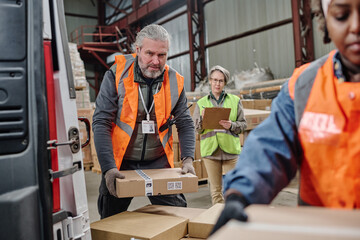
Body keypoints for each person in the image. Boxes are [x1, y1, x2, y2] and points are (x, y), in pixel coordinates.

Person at [211, 0, 360, 234]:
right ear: (326, 21)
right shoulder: (305, 86)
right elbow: (270, 147)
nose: (356, 26)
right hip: (323, 232)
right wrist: (241, 194)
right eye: (341, 16)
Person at [92, 24, 196, 219]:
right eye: (150, 53)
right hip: (121, 163)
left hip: (158, 161)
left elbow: (185, 123)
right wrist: (108, 168)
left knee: (178, 217)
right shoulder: (116, 75)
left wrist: (188, 158)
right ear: (137, 50)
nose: (156, 61)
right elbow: (101, 122)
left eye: (162, 55)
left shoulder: (175, 81)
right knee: (110, 221)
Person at [192, 65, 247, 205]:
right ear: (210, 81)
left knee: (233, 189)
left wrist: (232, 125)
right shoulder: (201, 103)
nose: (217, 84)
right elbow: (197, 130)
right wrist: (203, 121)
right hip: (210, 151)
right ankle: (219, 221)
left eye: (221, 81)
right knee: (216, 191)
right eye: (215, 80)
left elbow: (243, 125)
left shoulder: (235, 101)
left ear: (225, 83)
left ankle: (233, 218)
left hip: (231, 151)